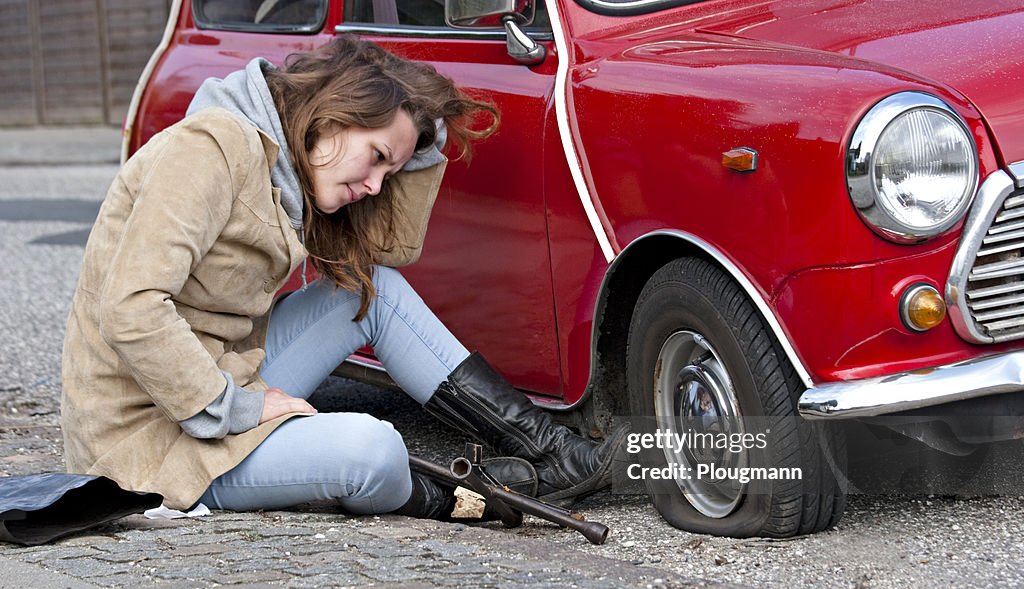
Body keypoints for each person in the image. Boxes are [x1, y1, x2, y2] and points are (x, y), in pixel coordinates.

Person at [61, 36, 624, 521]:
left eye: (390, 170)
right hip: (152, 439)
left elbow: (390, 249)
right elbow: (132, 308)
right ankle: (464, 498)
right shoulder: (207, 151)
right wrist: (241, 408)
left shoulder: (282, 163)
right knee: (371, 449)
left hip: (221, 379)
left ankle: (550, 449)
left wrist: (418, 141)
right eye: (376, 156)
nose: (377, 185)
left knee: (368, 291)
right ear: (331, 118)